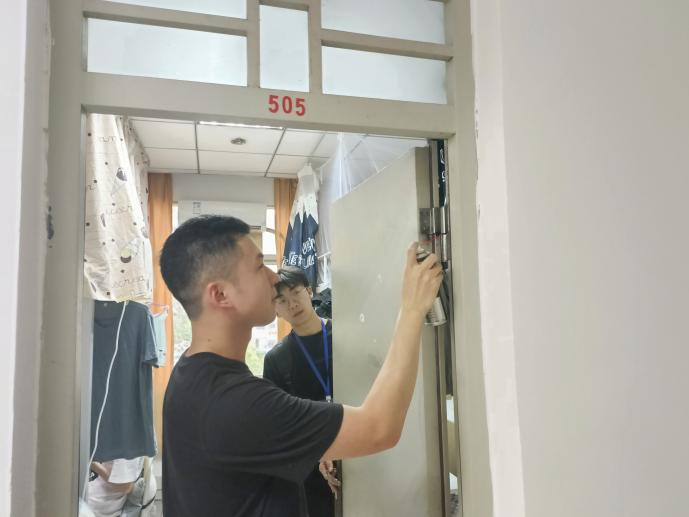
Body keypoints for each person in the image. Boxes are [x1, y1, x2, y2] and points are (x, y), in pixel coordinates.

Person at [159, 215, 443, 517]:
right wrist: (412, 309)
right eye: (259, 266)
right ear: (220, 294)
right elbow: (379, 428)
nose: (273, 278)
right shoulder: (234, 403)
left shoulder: (188, 374)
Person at [263, 267, 338, 517]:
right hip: (311, 465)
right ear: (276, 310)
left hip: (357, 444)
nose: (292, 304)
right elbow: (281, 425)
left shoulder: (345, 336)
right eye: (282, 300)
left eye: (295, 292)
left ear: (309, 291)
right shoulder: (277, 359)